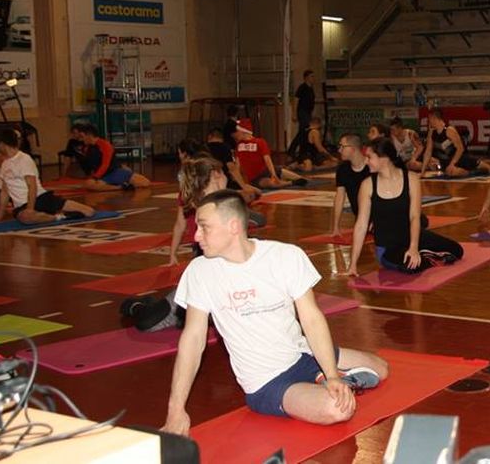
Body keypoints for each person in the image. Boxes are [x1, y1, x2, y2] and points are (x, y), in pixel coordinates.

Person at [163, 191, 388, 434]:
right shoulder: (200, 272)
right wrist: (176, 409)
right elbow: (193, 339)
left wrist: (331, 374)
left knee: (382, 368)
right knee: (337, 409)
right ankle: (330, 382)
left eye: (204, 227)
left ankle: (329, 378)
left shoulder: (285, 256)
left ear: (233, 226)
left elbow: (311, 319)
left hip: (303, 354)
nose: (196, 236)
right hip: (267, 382)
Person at [349, 138, 463, 276]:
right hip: (388, 249)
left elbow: (415, 217)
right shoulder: (367, 185)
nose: (366, 161)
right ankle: (426, 257)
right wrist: (353, 264)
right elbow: (361, 225)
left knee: (457, 250)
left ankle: (422, 253)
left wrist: (413, 248)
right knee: (411, 266)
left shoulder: (412, 179)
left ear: (384, 158)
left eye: (369, 157)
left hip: (414, 238)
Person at [0, 128, 95, 224]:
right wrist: (0, 216)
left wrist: (30, 208)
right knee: (26, 218)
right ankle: (58, 217)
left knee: (89, 212)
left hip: (40, 198)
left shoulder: (24, 159)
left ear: (2, 144)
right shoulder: (5, 164)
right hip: (21, 206)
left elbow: (32, 186)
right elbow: (4, 192)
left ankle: (44, 215)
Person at [233, 118, 307, 190]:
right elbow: (237, 164)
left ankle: (298, 178)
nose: (234, 135)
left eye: (236, 132)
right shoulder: (239, 145)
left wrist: (273, 174)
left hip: (266, 170)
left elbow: (267, 159)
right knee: (270, 184)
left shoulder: (260, 142)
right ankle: (291, 183)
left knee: (294, 176)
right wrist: (238, 178)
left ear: (243, 132)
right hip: (255, 178)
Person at [419, 109, 490, 177]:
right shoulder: (431, 133)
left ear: (434, 118)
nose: (428, 121)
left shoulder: (449, 130)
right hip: (446, 161)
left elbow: (460, 149)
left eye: (429, 119)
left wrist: (452, 164)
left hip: (461, 159)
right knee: (450, 172)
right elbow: (428, 152)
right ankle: (471, 173)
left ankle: (475, 172)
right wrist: (422, 172)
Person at [77, 123, 152, 191]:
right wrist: (93, 177)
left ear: (89, 135)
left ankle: (119, 183)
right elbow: (90, 166)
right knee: (89, 185)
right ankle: (121, 187)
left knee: (145, 182)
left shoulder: (105, 145)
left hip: (114, 172)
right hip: (103, 176)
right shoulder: (87, 148)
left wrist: (95, 177)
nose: (81, 139)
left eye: (82, 136)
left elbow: (105, 164)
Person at [330, 133, 371, 240]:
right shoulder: (343, 169)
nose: (339, 150)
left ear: (352, 149)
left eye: (342, 147)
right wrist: (336, 227)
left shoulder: (372, 166)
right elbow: (340, 197)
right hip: (361, 216)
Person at [205, 127, 261, 204]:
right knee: (255, 193)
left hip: (207, 185)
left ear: (209, 136)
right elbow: (232, 168)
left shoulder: (203, 148)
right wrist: (243, 186)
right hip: (224, 185)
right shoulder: (225, 147)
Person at [287, 69, 316, 159]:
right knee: (302, 132)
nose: (313, 78)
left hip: (308, 113)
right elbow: (296, 100)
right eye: (311, 76)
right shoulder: (302, 87)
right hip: (302, 112)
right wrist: (294, 113)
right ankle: (292, 151)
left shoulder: (311, 88)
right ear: (306, 78)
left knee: (304, 133)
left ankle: (302, 152)